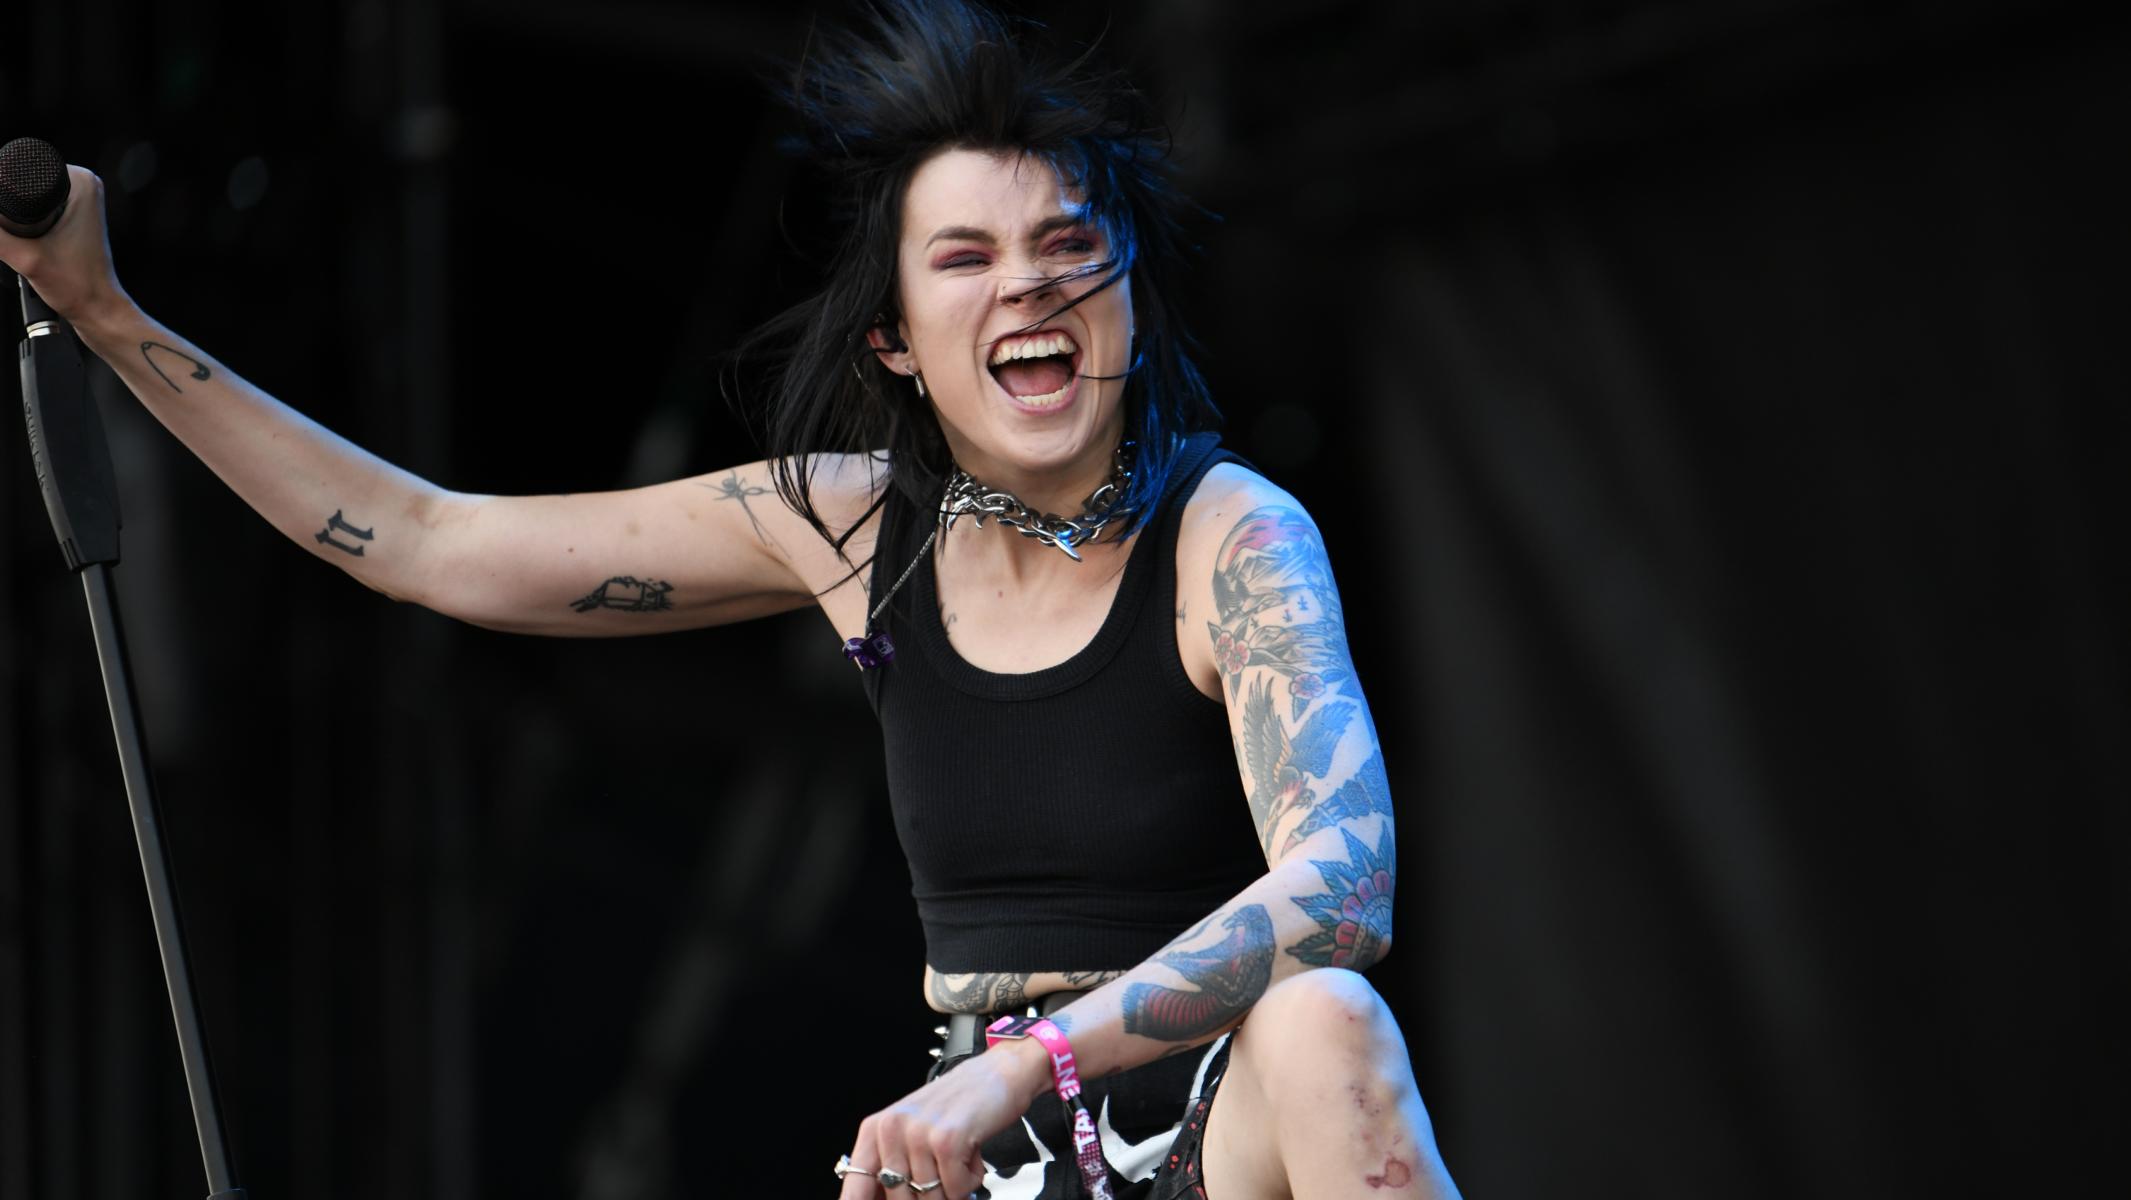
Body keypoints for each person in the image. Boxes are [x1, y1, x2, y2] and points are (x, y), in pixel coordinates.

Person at [0, 1, 1460, 1195]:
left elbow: (1345, 884)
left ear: (1129, 293)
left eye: (1071, 247)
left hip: (1209, 1125)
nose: (1029, 285)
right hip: (983, 1162)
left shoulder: (1229, 535)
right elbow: (427, 540)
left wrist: (1035, 1061)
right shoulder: (855, 526)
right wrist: (107, 316)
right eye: (967, 258)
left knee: (1327, 1026)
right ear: (898, 341)